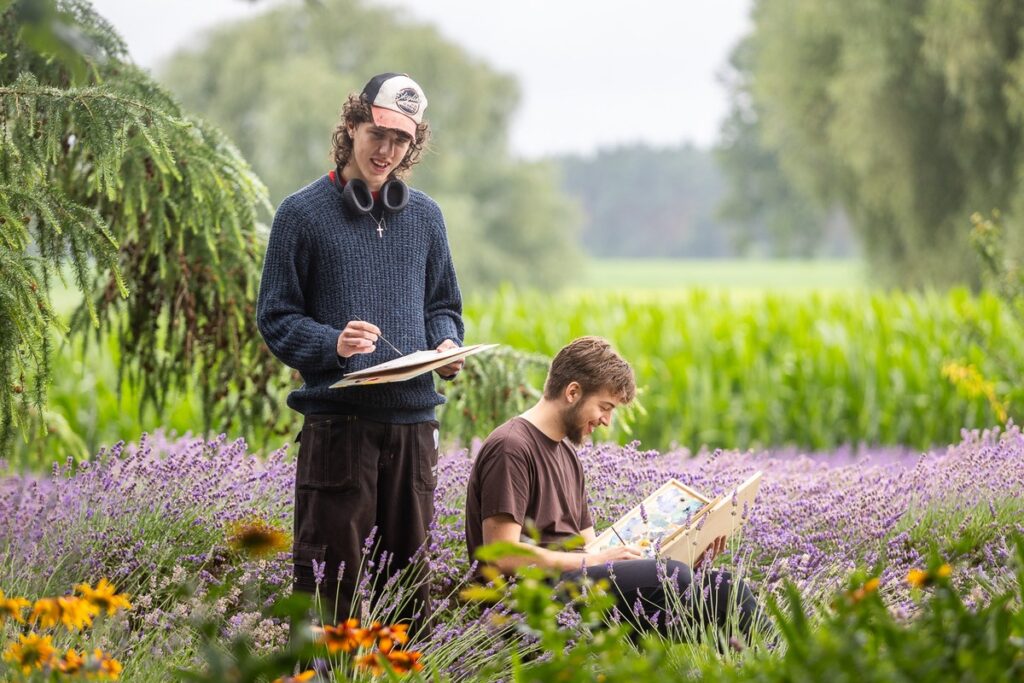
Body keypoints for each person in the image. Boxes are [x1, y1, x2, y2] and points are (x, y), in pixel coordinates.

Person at [257, 72, 464, 625]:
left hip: (414, 431)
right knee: (331, 596)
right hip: (338, 432)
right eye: (379, 133)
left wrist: (447, 341)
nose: (387, 150)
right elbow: (275, 319)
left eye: (402, 140)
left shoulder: (426, 218)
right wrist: (333, 343)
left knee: (410, 600)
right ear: (351, 126)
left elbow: (444, 306)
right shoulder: (300, 215)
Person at [464, 336, 760, 638]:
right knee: (675, 578)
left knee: (725, 589)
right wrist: (593, 561)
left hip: (581, 587)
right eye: (604, 407)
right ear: (573, 392)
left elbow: (591, 547)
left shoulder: (567, 455)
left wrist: (687, 555)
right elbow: (502, 556)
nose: (606, 420)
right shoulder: (511, 447)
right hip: (532, 603)